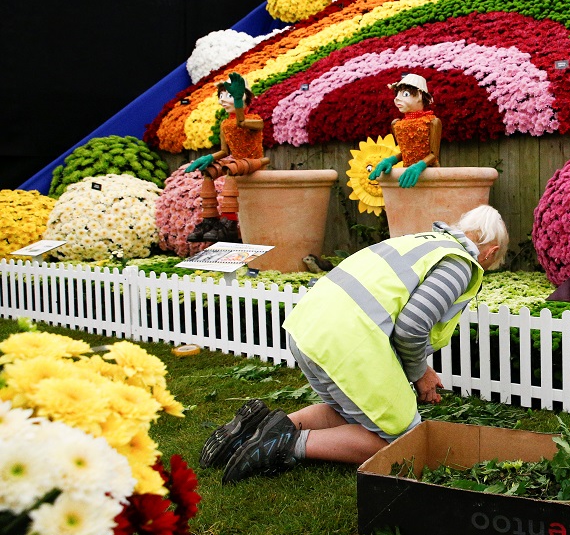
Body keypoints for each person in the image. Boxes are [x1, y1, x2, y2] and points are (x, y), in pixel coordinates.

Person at [200, 204, 509, 484]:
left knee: (350, 413)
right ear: (490, 252)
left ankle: (259, 427)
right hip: (346, 343)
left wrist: (416, 367)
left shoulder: (425, 241)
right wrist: (419, 373)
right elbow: (412, 326)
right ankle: (284, 444)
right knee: (401, 440)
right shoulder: (459, 264)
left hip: (308, 328)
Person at [186, 72, 269, 243]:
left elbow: (242, 123)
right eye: (221, 95)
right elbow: (224, 151)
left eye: (229, 95)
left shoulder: (254, 119)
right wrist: (209, 157)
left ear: (245, 97)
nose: (223, 99)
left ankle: (229, 223)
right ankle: (210, 220)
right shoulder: (225, 124)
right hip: (237, 161)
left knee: (230, 170)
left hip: (255, 162)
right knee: (208, 173)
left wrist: (238, 102)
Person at [368, 73, 442, 189]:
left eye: (405, 94)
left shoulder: (432, 122)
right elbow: (405, 152)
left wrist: (419, 166)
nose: (397, 98)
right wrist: (391, 160)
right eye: (397, 94)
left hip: (430, 175)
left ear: (418, 95)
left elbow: (433, 155)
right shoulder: (397, 124)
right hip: (407, 175)